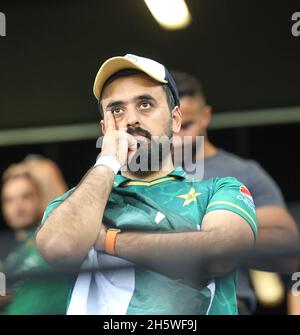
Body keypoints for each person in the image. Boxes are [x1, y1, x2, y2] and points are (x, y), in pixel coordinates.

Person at [37, 54, 258, 315]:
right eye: (116, 110)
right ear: (104, 128)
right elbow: (58, 249)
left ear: (175, 119)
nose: (131, 120)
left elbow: (220, 254)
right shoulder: (76, 201)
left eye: (144, 104)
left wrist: (108, 240)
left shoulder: (219, 189)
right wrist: (107, 162)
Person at [171, 70, 299, 313]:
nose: (176, 139)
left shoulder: (244, 173)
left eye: (186, 125)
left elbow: (288, 250)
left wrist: (215, 232)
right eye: (170, 128)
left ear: (206, 116)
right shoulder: (135, 177)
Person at [0, 172, 70, 315]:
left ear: (40, 198)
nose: (18, 207)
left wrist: (23, 166)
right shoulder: (4, 250)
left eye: (26, 196)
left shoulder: (53, 232)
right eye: (9, 200)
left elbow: (46, 169)